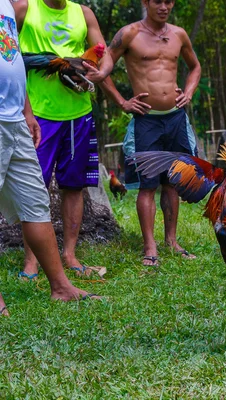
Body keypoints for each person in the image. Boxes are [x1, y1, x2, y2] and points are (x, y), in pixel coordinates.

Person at [1, 0, 100, 316]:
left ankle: (60, 287)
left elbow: (12, 59)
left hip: (16, 117)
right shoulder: (21, 8)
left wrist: (26, 112)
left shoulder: (6, 6)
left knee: (35, 202)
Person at [13, 0, 113, 279]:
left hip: (78, 113)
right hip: (39, 114)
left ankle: (69, 254)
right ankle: (31, 261)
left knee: (74, 185)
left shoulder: (83, 13)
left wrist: (98, 72)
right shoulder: (24, 8)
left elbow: (105, 53)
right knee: (33, 187)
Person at [100, 0, 202, 267]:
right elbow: (104, 66)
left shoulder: (179, 34)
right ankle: (150, 247)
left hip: (176, 119)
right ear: (146, 2)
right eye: (158, 1)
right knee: (148, 185)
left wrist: (188, 92)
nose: (164, 6)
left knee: (172, 182)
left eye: (169, 1)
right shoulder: (129, 33)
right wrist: (122, 102)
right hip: (146, 121)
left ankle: (172, 240)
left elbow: (195, 67)